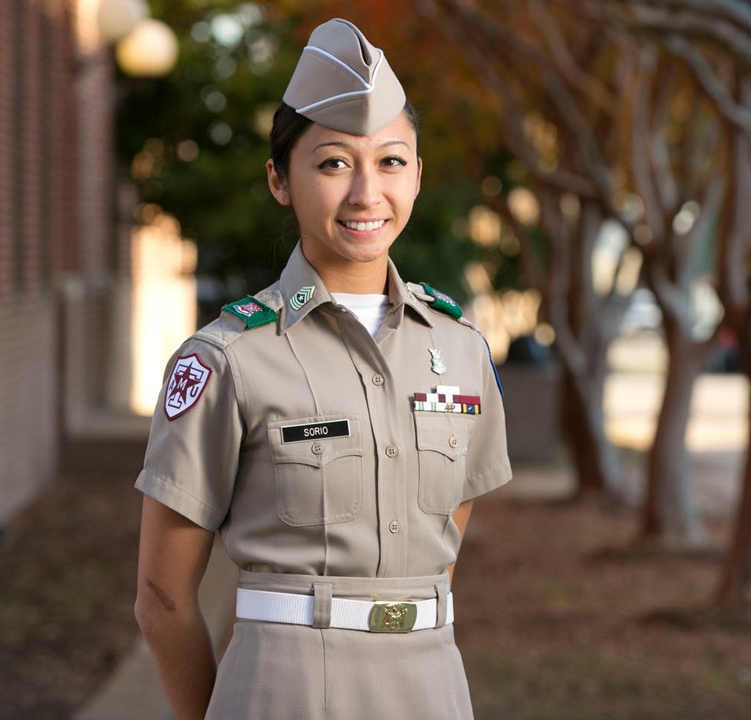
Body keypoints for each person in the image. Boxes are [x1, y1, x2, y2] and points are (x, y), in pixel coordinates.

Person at [133, 18, 512, 720]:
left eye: (391, 162)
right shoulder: (227, 359)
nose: (367, 193)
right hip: (286, 690)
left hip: (432, 685)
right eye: (334, 162)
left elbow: (440, 545)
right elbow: (162, 599)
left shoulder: (460, 349)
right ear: (280, 178)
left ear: (418, 176)